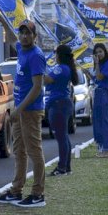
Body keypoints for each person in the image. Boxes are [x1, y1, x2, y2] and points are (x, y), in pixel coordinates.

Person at [0, 20, 47, 207]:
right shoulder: (21, 47)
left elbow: (37, 87)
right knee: (19, 151)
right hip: (20, 110)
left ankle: (38, 194)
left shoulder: (35, 56)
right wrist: (1, 21)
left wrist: (20, 109)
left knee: (34, 151)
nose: (24, 36)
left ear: (35, 36)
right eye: (22, 32)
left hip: (30, 110)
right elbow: (10, 37)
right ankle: (16, 190)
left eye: (28, 33)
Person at [44, 43, 79, 176]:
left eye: (56, 53)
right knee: (63, 136)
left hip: (58, 104)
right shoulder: (66, 68)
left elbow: (47, 79)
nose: (55, 56)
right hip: (62, 104)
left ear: (60, 55)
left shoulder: (61, 68)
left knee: (61, 137)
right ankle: (66, 166)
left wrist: (40, 69)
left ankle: (62, 167)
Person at [91, 42, 108, 157]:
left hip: (105, 94)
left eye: (100, 51)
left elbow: (100, 77)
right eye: (96, 53)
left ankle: (106, 149)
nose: (98, 54)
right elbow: (96, 79)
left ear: (105, 51)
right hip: (97, 93)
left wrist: (97, 64)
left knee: (104, 122)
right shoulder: (99, 65)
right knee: (97, 121)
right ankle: (100, 146)